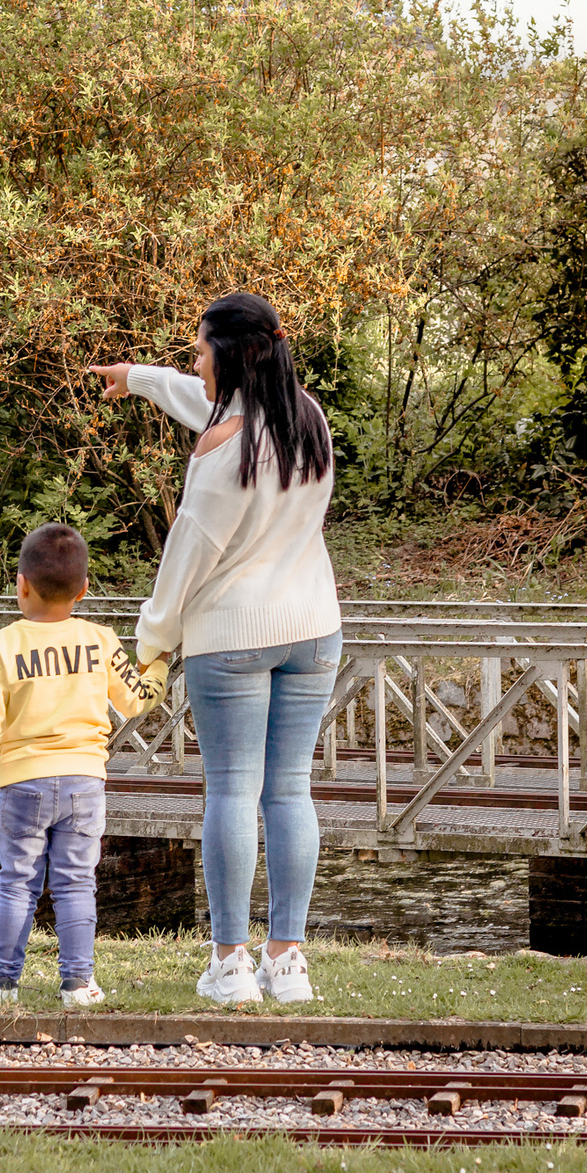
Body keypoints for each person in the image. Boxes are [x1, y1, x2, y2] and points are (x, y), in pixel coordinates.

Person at [91, 293, 342, 1007]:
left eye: (199, 350)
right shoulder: (306, 417)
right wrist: (137, 376)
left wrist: (153, 642)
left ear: (230, 356)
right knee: (290, 789)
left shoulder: (222, 447)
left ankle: (231, 963)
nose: (193, 361)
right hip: (314, 629)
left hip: (232, 638)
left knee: (232, 791)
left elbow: (187, 556)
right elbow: (196, 397)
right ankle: (287, 960)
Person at [0, 522, 169, 1008]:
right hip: (83, 781)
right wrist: (157, 665)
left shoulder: (2, 646)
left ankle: (2, 983)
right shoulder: (100, 641)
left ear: (21, 584)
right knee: (77, 883)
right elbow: (135, 700)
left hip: (23, 783)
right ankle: (78, 983)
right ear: (83, 589)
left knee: (16, 883)